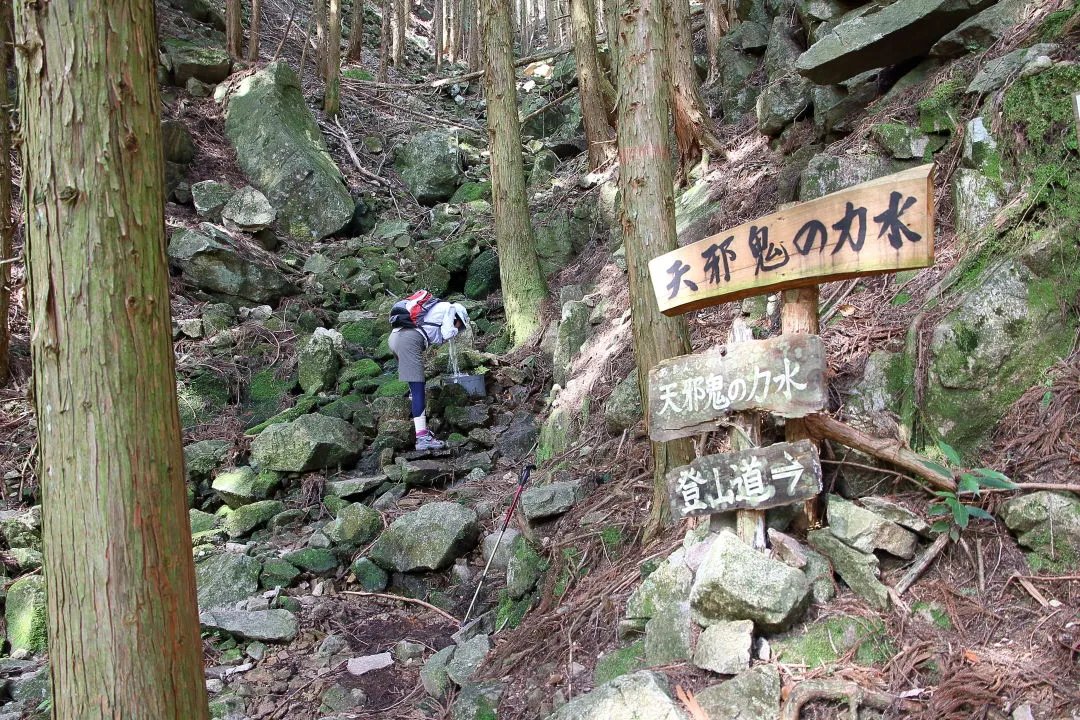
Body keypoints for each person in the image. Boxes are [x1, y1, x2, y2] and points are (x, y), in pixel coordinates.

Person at [387, 299, 469, 451]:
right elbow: (446, 333)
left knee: (415, 387)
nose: (458, 329)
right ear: (457, 318)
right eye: (460, 325)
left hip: (395, 338)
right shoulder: (450, 310)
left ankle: (418, 424)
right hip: (408, 340)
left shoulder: (437, 308)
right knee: (419, 388)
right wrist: (453, 331)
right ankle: (422, 438)